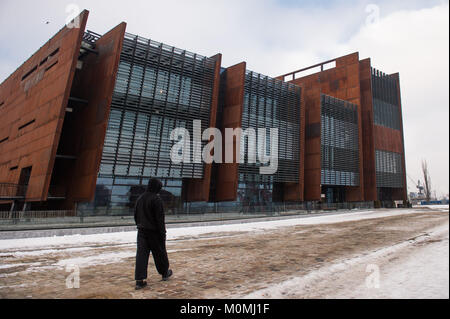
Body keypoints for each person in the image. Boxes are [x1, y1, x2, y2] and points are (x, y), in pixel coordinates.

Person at [134, 178, 173, 290]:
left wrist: (140, 225)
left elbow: (136, 215)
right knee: (160, 253)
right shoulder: (156, 199)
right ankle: (164, 272)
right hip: (154, 232)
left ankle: (139, 280)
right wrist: (162, 233)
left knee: (141, 255)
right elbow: (160, 219)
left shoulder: (140, 198)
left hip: (141, 231)